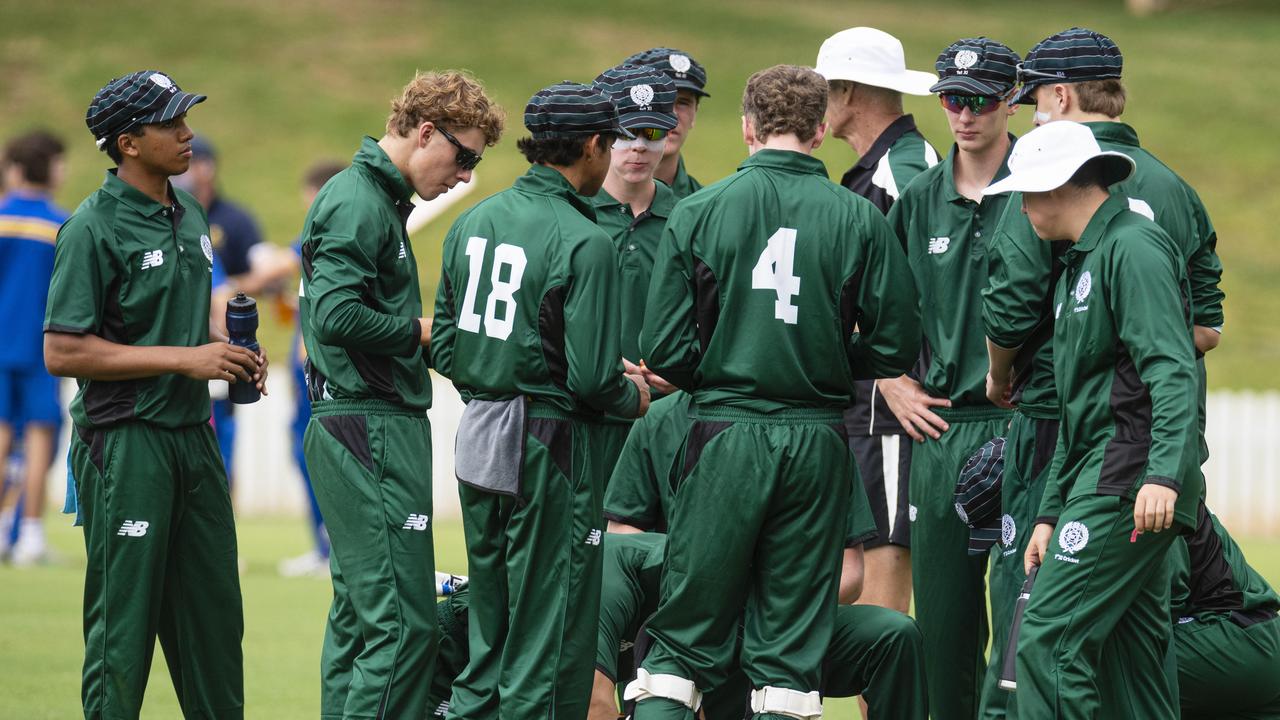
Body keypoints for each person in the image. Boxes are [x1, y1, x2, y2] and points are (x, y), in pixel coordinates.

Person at [629, 64, 919, 720]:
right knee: (790, 654)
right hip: (818, 440)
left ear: (747, 127)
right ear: (820, 130)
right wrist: (827, 363)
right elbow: (897, 344)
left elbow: (667, 349)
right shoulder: (859, 219)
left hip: (722, 434)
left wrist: (730, 364)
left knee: (683, 641)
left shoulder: (699, 213)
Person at [45, 69, 268, 719]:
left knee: (216, 628)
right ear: (129, 143)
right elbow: (63, 349)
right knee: (124, 633)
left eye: (184, 118)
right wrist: (187, 358)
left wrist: (224, 349)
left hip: (193, 438)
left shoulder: (191, 210)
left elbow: (175, 322)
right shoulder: (90, 227)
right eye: (170, 123)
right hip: (125, 443)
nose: (187, 133)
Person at [430, 80, 649, 719]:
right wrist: (630, 395)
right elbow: (587, 381)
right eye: (610, 143)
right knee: (548, 628)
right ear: (591, 144)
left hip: (479, 431)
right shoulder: (587, 241)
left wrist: (497, 375)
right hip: (550, 443)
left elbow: (445, 346)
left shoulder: (473, 219)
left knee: (489, 622)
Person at [298, 70, 504, 720]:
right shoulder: (359, 201)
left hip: (364, 422)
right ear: (423, 132)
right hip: (369, 426)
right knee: (402, 627)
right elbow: (333, 317)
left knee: (361, 624)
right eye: (463, 156)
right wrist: (427, 330)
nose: (465, 176)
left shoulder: (375, 200)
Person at [1001, 120, 1199, 718]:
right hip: (1105, 473)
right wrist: (1050, 512)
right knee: (1132, 666)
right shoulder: (1080, 263)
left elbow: (1172, 367)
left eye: (1029, 190)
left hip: (1129, 478)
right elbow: (1079, 410)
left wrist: (1163, 474)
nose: (1023, 204)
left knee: (1048, 642)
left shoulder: (1132, 248)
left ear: (1063, 185)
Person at [598, 388, 928, 720]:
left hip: (789, 615)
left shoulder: (817, 427)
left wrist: (771, 606)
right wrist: (705, 590)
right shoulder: (660, 418)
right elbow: (625, 542)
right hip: (688, 613)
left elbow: (851, 574)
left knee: (894, 634)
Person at [879, 37, 1021, 720]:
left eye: (980, 100)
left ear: (1012, 99)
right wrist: (888, 381)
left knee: (1024, 627)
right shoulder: (916, 200)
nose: (963, 115)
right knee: (942, 631)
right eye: (951, 99)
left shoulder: (1044, 185)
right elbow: (874, 311)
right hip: (943, 430)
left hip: (1025, 426)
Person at [1011, 26, 1226, 457]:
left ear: (1060, 97)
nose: (1034, 116)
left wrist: (1000, 376)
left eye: (1035, 102)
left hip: (1074, 437)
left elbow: (1010, 307)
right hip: (1169, 438)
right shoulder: (1177, 188)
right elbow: (1207, 328)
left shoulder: (1043, 185)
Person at [815, 25, 940, 619]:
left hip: (891, 414)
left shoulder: (905, 167)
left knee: (881, 610)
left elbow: (941, 275)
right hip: (870, 409)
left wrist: (893, 372)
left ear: (846, 92)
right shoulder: (885, 166)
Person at [588, 63, 681, 483]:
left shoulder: (690, 219)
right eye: (626, 133)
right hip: (584, 420)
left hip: (666, 423)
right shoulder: (571, 216)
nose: (639, 147)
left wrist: (686, 371)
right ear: (602, 136)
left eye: (653, 134)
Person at [174, 136, 266, 483]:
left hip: (219, 344)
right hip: (178, 353)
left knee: (217, 449)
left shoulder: (235, 219)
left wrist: (231, 291)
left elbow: (264, 272)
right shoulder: (169, 220)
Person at [0, 129, 68, 565]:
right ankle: (30, 535)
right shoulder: (60, 225)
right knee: (42, 433)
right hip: (44, 345)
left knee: (2, 432)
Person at [278, 159, 345, 578]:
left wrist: (236, 284)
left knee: (322, 459)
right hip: (302, 370)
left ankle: (333, 547)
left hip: (318, 371)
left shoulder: (328, 230)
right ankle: (322, 547)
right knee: (303, 454)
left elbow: (278, 270)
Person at [1170, 500, 1280, 719]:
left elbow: (1167, 601)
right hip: (1261, 631)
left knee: (1112, 668)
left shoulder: (1146, 496)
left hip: (1230, 633)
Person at [622, 47, 710, 198]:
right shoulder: (582, 201)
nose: (673, 115)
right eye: (661, 99)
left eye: (683, 103)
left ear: (695, 114)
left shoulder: (706, 206)